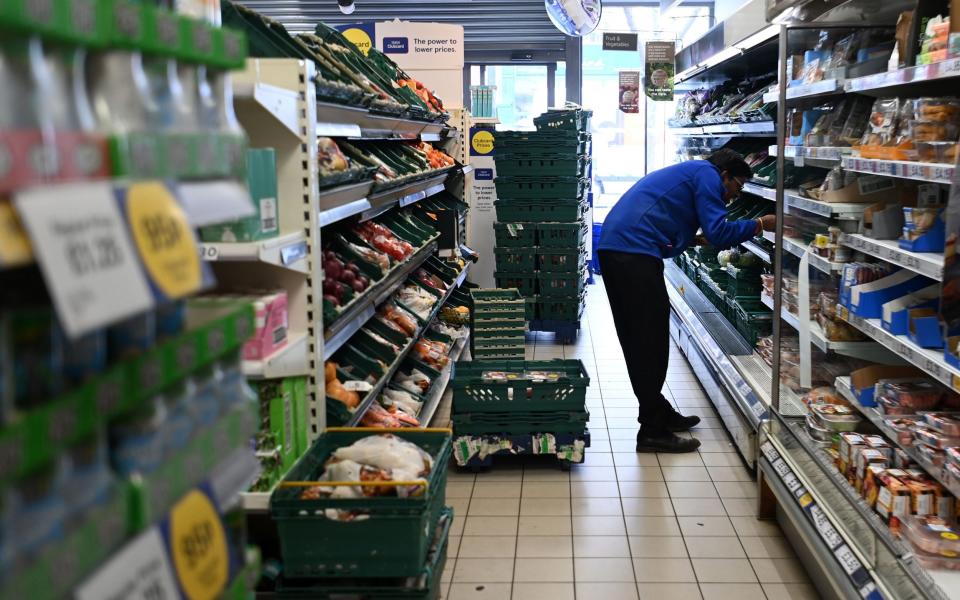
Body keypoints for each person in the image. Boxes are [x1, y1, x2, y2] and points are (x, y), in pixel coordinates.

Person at [596, 149, 776, 453]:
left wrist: (688, 238)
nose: (734, 196)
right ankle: (651, 430)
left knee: (642, 336)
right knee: (648, 339)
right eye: (738, 186)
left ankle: (658, 410)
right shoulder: (707, 174)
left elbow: (668, 215)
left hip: (624, 248)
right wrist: (759, 224)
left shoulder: (695, 172)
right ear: (724, 176)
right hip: (632, 253)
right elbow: (718, 232)